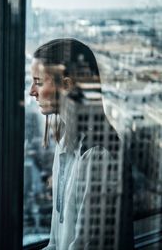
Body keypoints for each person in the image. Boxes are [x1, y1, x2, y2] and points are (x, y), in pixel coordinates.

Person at [29, 38, 128, 249]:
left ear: (66, 85)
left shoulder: (98, 155)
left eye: (38, 82)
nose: (32, 91)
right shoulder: (65, 141)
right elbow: (55, 242)